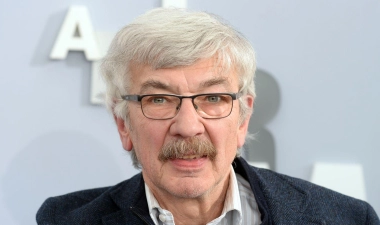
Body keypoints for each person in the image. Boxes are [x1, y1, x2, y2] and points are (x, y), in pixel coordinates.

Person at [36, 8, 379, 225]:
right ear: (123, 124)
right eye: (159, 99)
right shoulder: (64, 219)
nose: (187, 127)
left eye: (213, 97)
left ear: (243, 119)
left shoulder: (345, 219)